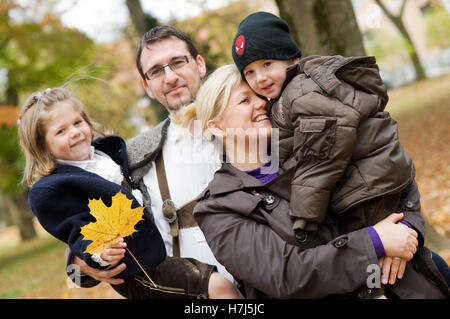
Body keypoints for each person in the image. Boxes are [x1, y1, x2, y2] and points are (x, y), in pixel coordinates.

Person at [178, 63, 449, 298]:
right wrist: (375, 242)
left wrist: (408, 229)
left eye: (259, 96)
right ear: (216, 127)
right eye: (244, 100)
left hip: (408, 285)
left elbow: (390, 172)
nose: (261, 103)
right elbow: (285, 275)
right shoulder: (218, 208)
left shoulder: (310, 144)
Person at [66, 26, 243, 299]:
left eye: (177, 62)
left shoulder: (253, 120)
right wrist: (81, 263)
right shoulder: (133, 156)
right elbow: (83, 218)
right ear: (147, 87)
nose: (170, 77)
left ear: (199, 64)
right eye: (156, 71)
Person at [18, 87, 242, 299]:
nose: (75, 132)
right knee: (218, 286)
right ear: (42, 146)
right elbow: (77, 230)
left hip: (166, 252)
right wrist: (96, 256)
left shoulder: (107, 156)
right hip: (138, 268)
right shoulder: (58, 186)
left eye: (77, 122)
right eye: (61, 131)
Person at [231, 11, 416, 240]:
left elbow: (321, 152)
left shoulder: (299, 90)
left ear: (292, 59)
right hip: (369, 183)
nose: (259, 78)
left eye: (267, 64)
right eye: (249, 72)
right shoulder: (287, 96)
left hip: (367, 191)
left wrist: (304, 214)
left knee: (375, 259)